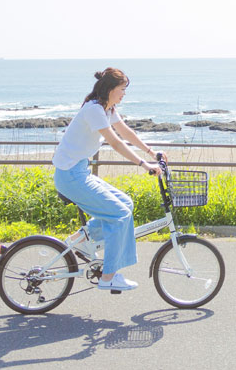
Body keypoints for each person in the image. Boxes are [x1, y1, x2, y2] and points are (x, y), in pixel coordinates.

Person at [51, 67, 165, 292]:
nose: (124, 94)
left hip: (79, 170)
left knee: (126, 204)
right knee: (119, 214)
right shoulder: (94, 110)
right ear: (111, 89)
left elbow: (126, 132)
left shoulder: (107, 108)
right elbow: (115, 142)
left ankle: (81, 240)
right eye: (122, 89)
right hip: (70, 175)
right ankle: (108, 277)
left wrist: (152, 153)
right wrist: (143, 165)